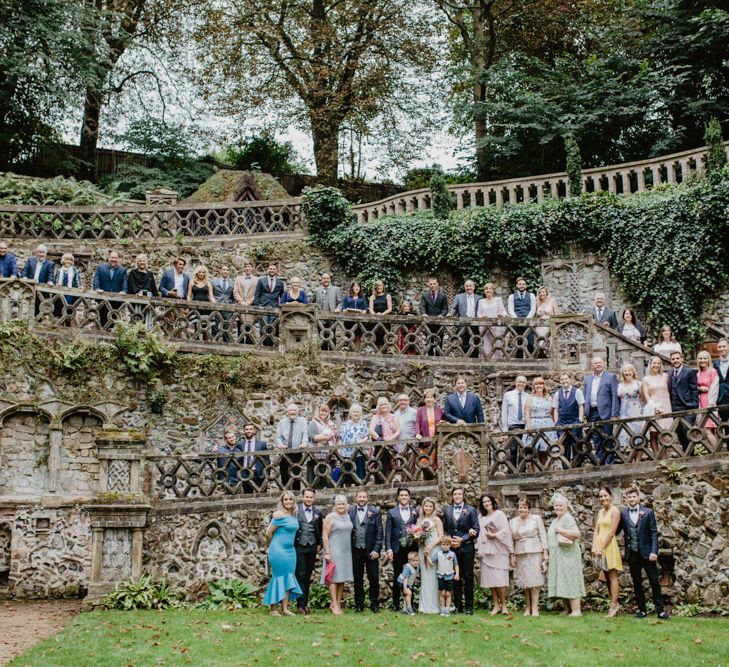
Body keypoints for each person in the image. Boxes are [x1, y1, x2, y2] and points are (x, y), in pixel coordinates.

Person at [618, 486, 669, 619]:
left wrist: (654, 551)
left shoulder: (648, 512)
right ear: (626, 499)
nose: (632, 499)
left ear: (638, 497)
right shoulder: (623, 513)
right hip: (632, 553)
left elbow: (653, 533)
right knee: (637, 581)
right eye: (629, 497)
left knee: (654, 580)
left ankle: (660, 611)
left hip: (647, 553)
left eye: (634, 496)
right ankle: (642, 610)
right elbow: (616, 530)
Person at [263, 490, 302, 616]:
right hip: (278, 551)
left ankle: (285, 609)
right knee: (278, 577)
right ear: (282, 502)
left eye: (290, 499)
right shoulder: (279, 517)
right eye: (286, 499)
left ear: (294, 501)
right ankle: (273, 609)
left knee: (288, 577)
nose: (288, 502)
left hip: (291, 552)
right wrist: (271, 545)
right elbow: (268, 533)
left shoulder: (294, 516)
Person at [547, 493, 585, 616]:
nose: (558, 507)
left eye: (560, 505)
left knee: (570, 579)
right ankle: (567, 609)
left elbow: (576, 534)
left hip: (569, 555)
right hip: (558, 556)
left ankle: (576, 610)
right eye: (556, 505)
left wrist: (560, 530)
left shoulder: (568, 518)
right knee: (562, 580)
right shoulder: (555, 520)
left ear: (566, 506)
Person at [442, 487, 479, 615]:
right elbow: (445, 529)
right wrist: (450, 541)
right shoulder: (447, 510)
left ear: (463, 496)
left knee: (468, 577)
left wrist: (462, 539)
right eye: (455, 494)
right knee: (455, 577)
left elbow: (476, 530)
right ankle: (458, 606)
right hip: (452, 549)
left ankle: (469, 607)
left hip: (467, 548)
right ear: (452, 496)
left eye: (459, 494)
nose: (457, 496)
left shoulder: (471, 510)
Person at [509, 497, 548, 617]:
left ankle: (535, 608)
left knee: (535, 580)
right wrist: (512, 555)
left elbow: (543, 535)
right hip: (520, 553)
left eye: (525, 507)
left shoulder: (536, 519)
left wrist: (545, 552)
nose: (522, 509)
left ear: (529, 509)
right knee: (525, 580)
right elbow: (510, 540)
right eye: (520, 507)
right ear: (517, 508)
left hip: (535, 551)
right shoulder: (513, 521)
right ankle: (528, 607)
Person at [476, 493, 513, 615]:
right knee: (491, 579)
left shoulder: (500, 514)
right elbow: (480, 535)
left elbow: (506, 531)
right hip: (487, 550)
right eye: (484, 502)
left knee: (500, 578)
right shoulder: (480, 517)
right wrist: (480, 549)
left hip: (499, 550)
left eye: (488, 501)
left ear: (492, 502)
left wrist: (494, 535)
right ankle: (496, 605)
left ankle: (504, 605)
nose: (486, 503)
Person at [348, 488, 383, 613]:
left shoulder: (375, 511)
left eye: (364, 497)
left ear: (367, 498)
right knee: (358, 578)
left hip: (371, 550)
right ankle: (359, 604)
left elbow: (379, 532)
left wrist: (377, 550)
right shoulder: (350, 511)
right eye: (359, 497)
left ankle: (374, 603)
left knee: (373, 578)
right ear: (356, 498)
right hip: (356, 549)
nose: (361, 499)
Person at [385, 487, 419, 612]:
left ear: (409, 497)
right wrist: (389, 549)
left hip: (410, 549)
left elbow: (418, 529)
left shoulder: (415, 512)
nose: (404, 497)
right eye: (402, 495)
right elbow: (388, 532)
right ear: (398, 497)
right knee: (397, 576)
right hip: (397, 549)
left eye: (406, 495)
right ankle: (395, 603)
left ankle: (409, 604)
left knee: (411, 577)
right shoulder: (391, 512)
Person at [592, 485, 623, 617]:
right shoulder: (600, 512)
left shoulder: (615, 511)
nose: (603, 498)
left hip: (608, 545)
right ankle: (613, 603)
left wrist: (602, 547)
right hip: (599, 545)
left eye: (605, 495)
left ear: (610, 496)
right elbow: (596, 530)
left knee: (612, 575)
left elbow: (611, 532)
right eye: (600, 496)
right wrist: (594, 546)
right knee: (605, 574)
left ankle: (614, 605)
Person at [582, 356, 620, 464]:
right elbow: (585, 395)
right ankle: (600, 461)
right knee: (596, 438)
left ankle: (609, 462)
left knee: (607, 437)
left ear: (603, 364)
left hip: (606, 412)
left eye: (600, 362)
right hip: (592, 412)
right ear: (592, 365)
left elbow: (614, 396)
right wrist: (585, 412)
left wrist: (614, 413)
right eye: (595, 363)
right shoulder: (587, 379)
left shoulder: (610, 377)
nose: (598, 364)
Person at [321, 494, 354, 615]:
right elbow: (325, 535)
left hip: (346, 551)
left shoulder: (348, 516)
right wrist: (328, 552)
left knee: (342, 578)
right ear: (335, 505)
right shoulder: (330, 517)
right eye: (339, 503)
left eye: (343, 503)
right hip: (334, 550)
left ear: (346, 505)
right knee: (333, 578)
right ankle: (334, 603)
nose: (341, 506)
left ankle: (338, 603)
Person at [294, 488, 323, 615]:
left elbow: (320, 529)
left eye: (311, 497)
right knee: (300, 575)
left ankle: (305, 604)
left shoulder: (317, 512)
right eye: (307, 497)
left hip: (312, 546)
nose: (309, 499)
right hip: (299, 545)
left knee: (307, 576)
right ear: (302, 497)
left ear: (314, 498)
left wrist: (319, 544)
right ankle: (300, 605)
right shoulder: (295, 510)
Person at [416, 496, 444, 614]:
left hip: (434, 549)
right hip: (423, 550)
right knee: (425, 577)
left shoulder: (437, 519)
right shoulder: (419, 520)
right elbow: (416, 534)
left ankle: (436, 605)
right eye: (426, 506)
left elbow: (441, 537)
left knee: (434, 576)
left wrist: (430, 546)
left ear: (433, 508)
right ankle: (424, 605)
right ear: (423, 507)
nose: (428, 508)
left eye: (430, 506)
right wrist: (419, 540)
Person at [522, 377, 556, 468]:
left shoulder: (549, 398)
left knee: (545, 451)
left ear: (543, 385)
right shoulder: (530, 398)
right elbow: (527, 413)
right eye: (536, 384)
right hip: (534, 424)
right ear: (533, 386)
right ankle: (534, 474)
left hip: (547, 425)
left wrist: (554, 425)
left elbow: (553, 412)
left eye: (540, 384)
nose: (539, 386)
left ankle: (545, 472)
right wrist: (529, 426)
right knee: (534, 451)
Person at [641, 356, 672, 456]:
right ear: (650, 364)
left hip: (666, 404)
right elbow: (646, 395)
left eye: (658, 363)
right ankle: (656, 455)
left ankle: (665, 455)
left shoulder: (665, 376)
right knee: (654, 432)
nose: (656, 365)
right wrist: (653, 407)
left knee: (665, 431)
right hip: (653, 405)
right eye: (654, 363)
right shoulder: (646, 379)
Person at [668, 350, 699, 451]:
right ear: (670, 361)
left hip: (688, 405)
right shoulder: (669, 373)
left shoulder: (689, 371)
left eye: (677, 358)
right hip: (675, 407)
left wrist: (694, 404)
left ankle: (691, 453)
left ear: (681, 359)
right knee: (679, 431)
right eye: (673, 359)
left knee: (687, 430)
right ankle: (686, 452)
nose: (675, 360)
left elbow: (694, 389)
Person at [275, 404, 310, 488]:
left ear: (298, 412)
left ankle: (296, 497)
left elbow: (305, 433)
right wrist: (280, 444)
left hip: (296, 453)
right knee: (284, 477)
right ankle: (285, 496)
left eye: (295, 410)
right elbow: (278, 437)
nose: (293, 412)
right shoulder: (282, 423)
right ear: (287, 412)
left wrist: (304, 442)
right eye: (291, 410)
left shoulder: (303, 421)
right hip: (284, 453)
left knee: (296, 477)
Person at [553, 372, 585, 463]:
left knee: (577, 445)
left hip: (574, 421)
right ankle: (566, 468)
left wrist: (580, 420)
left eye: (566, 379)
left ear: (570, 380)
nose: (564, 381)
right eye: (562, 379)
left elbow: (581, 406)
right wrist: (556, 422)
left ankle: (577, 467)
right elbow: (555, 409)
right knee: (563, 446)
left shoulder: (577, 391)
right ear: (560, 381)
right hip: (562, 423)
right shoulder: (557, 393)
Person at [368, 397, 400, 479]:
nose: (384, 406)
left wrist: (391, 438)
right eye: (381, 404)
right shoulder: (375, 417)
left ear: (389, 405)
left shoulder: (394, 417)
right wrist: (380, 439)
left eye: (385, 404)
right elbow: (371, 431)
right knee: (379, 466)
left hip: (391, 445)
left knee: (391, 466)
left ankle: (391, 483)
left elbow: (398, 431)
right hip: (378, 445)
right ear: (378, 407)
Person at [501, 376, 529, 469]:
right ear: (515, 382)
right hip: (512, 426)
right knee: (512, 450)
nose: (521, 384)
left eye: (523, 382)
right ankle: (512, 472)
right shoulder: (508, 395)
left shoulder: (528, 396)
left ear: (525, 384)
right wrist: (505, 431)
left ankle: (522, 471)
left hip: (524, 426)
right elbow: (504, 413)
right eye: (519, 382)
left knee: (524, 450)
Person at [337, 403, 369, 483]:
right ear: (350, 413)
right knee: (347, 477)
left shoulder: (363, 423)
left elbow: (367, 436)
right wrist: (339, 451)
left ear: (361, 414)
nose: (356, 413)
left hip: (359, 453)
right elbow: (340, 438)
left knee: (360, 477)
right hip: (346, 454)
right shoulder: (345, 424)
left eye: (358, 412)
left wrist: (361, 441)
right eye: (354, 412)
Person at [308, 403, 338, 485]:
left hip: (329, 454)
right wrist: (327, 438)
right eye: (322, 411)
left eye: (326, 411)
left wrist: (335, 433)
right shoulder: (314, 422)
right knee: (318, 478)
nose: (323, 413)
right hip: (317, 455)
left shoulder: (330, 423)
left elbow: (336, 432)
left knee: (328, 479)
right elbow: (312, 437)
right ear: (318, 411)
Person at [254, 263, 284, 345]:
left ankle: (270, 345)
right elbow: (257, 294)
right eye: (270, 269)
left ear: (276, 271)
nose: (272, 270)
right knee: (262, 327)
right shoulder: (261, 281)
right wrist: (257, 307)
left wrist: (281, 307)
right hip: (263, 306)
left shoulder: (280, 283)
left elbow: (282, 296)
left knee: (272, 327)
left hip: (274, 307)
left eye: (274, 269)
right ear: (268, 270)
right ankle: (264, 343)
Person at [617, 364, 644, 456]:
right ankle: (629, 458)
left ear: (633, 372)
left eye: (629, 371)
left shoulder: (638, 384)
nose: (627, 373)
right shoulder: (620, 386)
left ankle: (638, 460)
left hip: (636, 411)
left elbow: (643, 398)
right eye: (625, 371)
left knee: (638, 434)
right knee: (626, 434)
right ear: (622, 373)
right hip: (624, 412)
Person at [415, 389, 443, 475]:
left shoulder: (439, 410)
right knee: (425, 464)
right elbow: (417, 423)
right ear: (424, 399)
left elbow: (443, 420)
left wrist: (442, 422)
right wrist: (417, 433)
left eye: (431, 397)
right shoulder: (420, 410)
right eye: (427, 397)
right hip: (424, 442)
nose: (429, 399)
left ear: (434, 399)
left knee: (435, 463)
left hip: (436, 441)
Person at [450, 279, 481, 356]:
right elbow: (454, 308)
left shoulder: (479, 297)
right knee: (463, 345)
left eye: (470, 286)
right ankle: (464, 362)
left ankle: (474, 363)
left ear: (474, 287)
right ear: (464, 287)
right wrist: (450, 314)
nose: (468, 287)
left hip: (475, 325)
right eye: (466, 286)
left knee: (475, 344)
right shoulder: (459, 296)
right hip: (462, 325)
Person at [431, 534, 459, 617]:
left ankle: (447, 609)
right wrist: (426, 557)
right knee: (442, 593)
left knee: (448, 594)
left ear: (450, 545)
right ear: (441, 545)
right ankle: (442, 609)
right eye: (443, 544)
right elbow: (432, 562)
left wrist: (457, 574)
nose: (445, 546)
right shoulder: (438, 553)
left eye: (447, 545)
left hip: (449, 575)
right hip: (441, 576)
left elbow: (456, 565)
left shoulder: (453, 554)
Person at [506, 276, 536, 356]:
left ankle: (530, 360)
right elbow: (510, 310)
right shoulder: (512, 296)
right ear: (517, 285)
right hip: (516, 322)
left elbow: (533, 309)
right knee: (518, 342)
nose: (521, 285)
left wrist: (527, 319)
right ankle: (519, 361)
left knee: (530, 342)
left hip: (528, 322)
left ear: (526, 286)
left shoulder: (531, 296)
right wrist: (517, 320)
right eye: (520, 284)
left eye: (523, 284)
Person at [477, 282, 507, 359]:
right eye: (486, 289)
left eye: (490, 288)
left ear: (493, 290)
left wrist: (502, 315)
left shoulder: (498, 300)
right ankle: (486, 360)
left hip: (496, 326)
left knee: (496, 343)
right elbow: (478, 315)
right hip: (484, 326)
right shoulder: (481, 301)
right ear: (484, 291)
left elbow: (502, 311)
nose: (488, 290)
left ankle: (497, 361)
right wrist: (482, 316)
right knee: (486, 345)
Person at [420, 277, 448, 355]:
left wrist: (441, 315)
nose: (432, 285)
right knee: (429, 340)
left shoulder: (442, 296)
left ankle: (439, 357)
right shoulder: (425, 295)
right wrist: (423, 314)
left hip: (439, 322)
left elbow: (445, 308)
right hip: (429, 322)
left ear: (437, 284)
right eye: (431, 284)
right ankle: (430, 357)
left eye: (434, 283)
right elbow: (422, 306)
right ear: (428, 284)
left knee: (439, 340)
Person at [236, 422, 268, 491]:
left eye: (251, 429)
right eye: (247, 429)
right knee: (247, 495)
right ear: (244, 431)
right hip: (245, 473)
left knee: (262, 496)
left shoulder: (262, 444)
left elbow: (267, 460)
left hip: (259, 474)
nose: (249, 431)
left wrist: (266, 474)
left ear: (254, 431)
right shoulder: (239, 444)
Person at [187, 265, 216, 340]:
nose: (201, 274)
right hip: (195, 307)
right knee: (196, 327)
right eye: (199, 272)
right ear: (197, 273)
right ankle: (195, 346)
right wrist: (188, 304)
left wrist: (215, 304)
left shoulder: (208, 283)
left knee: (205, 328)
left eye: (203, 272)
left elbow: (211, 296)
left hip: (206, 308)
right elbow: (189, 295)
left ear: (205, 273)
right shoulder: (192, 282)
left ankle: (205, 347)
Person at [51, 252, 82, 321]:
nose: (68, 261)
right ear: (63, 260)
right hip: (59, 293)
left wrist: (79, 287)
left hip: (69, 295)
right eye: (67, 259)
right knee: (58, 311)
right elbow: (55, 281)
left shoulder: (75, 271)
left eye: (71, 260)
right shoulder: (59, 270)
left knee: (68, 311)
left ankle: (67, 323)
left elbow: (78, 283)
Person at [696, 350, 719, 438]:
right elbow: (696, 388)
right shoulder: (698, 373)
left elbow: (715, 387)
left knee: (708, 429)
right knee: (705, 429)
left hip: (710, 401)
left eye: (705, 358)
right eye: (700, 358)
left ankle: (716, 451)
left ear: (708, 359)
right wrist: (700, 388)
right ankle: (714, 450)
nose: (702, 360)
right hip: (701, 402)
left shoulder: (713, 371)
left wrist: (711, 404)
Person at [233, 261, 257, 342]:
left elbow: (257, 293)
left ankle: (249, 347)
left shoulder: (257, 280)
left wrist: (250, 301)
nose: (247, 268)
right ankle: (240, 345)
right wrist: (241, 301)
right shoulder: (238, 279)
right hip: (240, 306)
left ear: (252, 268)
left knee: (249, 328)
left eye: (249, 266)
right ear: (244, 268)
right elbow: (235, 292)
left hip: (251, 307)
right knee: (240, 326)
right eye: (246, 266)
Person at [211, 265, 235, 339]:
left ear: (229, 272)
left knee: (226, 328)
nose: (225, 271)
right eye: (224, 269)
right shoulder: (214, 282)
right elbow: (210, 294)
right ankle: (214, 344)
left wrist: (232, 305)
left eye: (227, 270)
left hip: (228, 309)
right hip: (217, 307)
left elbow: (233, 296)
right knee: (215, 328)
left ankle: (226, 345)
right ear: (221, 271)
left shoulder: (232, 283)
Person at [534, 286, 557, 355]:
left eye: (543, 292)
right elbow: (536, 316)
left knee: (549, 344)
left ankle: (549, 357)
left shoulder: (552, 301)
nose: (541, 293)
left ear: (546, 293)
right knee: (540, 343)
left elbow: (556, 314)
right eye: (539, 292)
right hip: (539, 327)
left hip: (549, 326)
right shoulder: (538, 303)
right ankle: (541, 356)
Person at [713, 338, 729, 423]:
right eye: (719, 347)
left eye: (724, 346)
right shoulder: (716, 364)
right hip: (722, 398)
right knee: (725, 423)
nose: (721, 348)